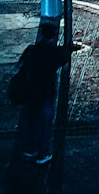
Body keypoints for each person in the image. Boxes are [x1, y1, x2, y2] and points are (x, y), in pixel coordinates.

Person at [16, 21, 70, 163]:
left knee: (32, 121)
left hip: (32, 91)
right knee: (45, 124)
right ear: (52, 37)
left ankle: (30, 149)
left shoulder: (32, 50)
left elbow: (20, 64)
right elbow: (64, 59)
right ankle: (43, 152)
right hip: (47, 92)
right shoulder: (54, 53)